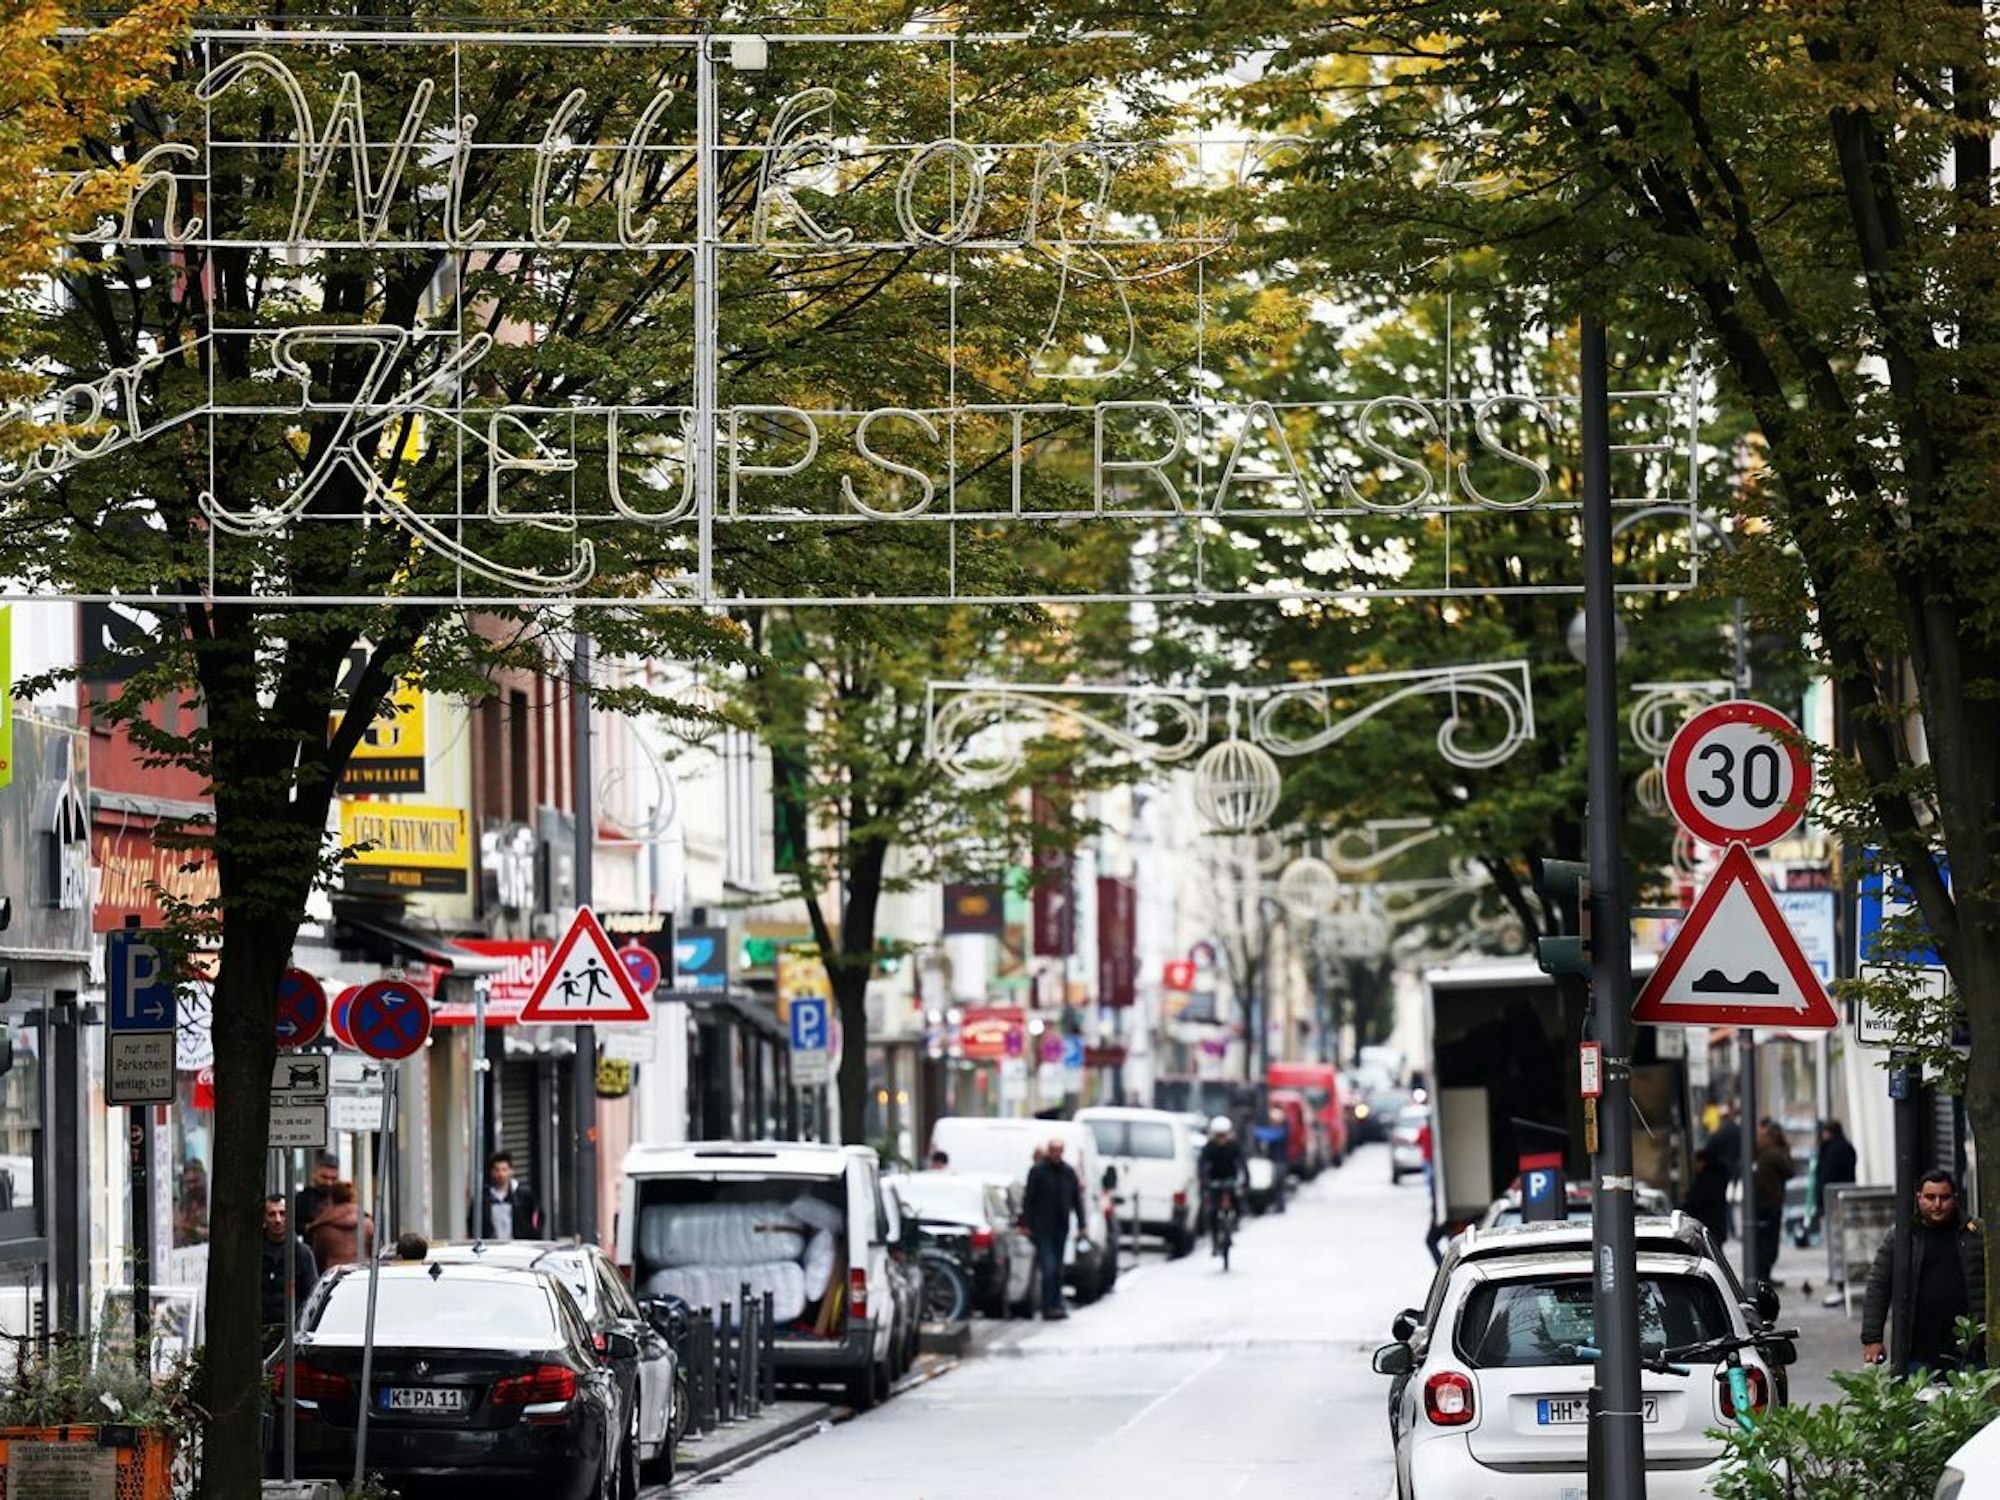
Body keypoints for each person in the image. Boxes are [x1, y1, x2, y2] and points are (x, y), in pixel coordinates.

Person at [1863, 1169, 1986, 1375]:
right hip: (1918, 1352)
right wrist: (1872, 1338)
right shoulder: (1902, 1236)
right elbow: (1878, 1286)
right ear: (1919, 1197)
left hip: (1970, 1352)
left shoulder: (1975, 1233)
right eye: (1930, 1197)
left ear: (1955, 1198)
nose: (1937, 1204)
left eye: (1944, 1197)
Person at [1020, 1136, 1088, 1319]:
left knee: (1058, 1268)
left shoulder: (1068, 1173)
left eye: (1059, 1151)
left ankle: (1056, 1303)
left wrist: (1082, 1224)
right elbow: (1029, 1199)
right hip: (1042, 1227)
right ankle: (1048, 1304)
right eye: (1053, 1151)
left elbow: (1076, 1200)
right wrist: (1026, 1223)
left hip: (1061, 1226)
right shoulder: (1038, 1172)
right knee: (1049, 1267)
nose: (1056, 1154)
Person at [260, 1195, 319, 1339]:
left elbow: (312, 1295)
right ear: (264, 1218)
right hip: (259, 1331)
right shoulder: (254, 1253)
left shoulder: (302, 1253)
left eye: (282, 1213)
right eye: (272, 1214)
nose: (278, 1219)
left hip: (292, 1332)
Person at [1753, 1119, 1794, 1282]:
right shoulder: (1775, 1154)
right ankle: (1765, 1275)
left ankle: (1762, 1275)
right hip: (1772, 1203)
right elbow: (1790, 1171)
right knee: (1770, 1241)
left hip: (1760, 1203)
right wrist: (1786, 1150)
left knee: (1762, 1240)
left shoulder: (1759, 1152)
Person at [1197, 1116, 1246, 1254]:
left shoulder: (1234, 1146)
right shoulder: (1209, 1147)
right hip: (1215, 1181)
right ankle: (1214, 1241)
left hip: (1231, 1180)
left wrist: (1244, 1180)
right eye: (1218, 1135)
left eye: (1223, 1135)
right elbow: (1202, 1164)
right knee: (1212, 1211)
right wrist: (1204, 1181)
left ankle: (1233, 1225)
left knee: (1238, 1203)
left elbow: (1242, 1163)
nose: (1221, 1139)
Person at [472, 1150, 543, 1240]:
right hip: (491, 1246)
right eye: (497, 1170)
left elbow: (536, 1218)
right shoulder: (482, 1199)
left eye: (504, 1170)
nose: (501, 1174)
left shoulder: (524, 1196)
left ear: (511, 1171)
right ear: (491, 1172)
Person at [306, 1180, 373, 1270]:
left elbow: (318, 1259)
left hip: (334, 1274)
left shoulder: (323, 1226)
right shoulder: (367, 1224)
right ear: (353, 1197)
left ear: (332, 1198)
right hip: (362, 1273)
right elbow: (375, 1252)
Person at [1682, 1143, 1731, 1246]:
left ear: (1702, 1162)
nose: (1694, 1166)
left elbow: (1696, 1202)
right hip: (1716, 1226)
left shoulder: (1706, 1180)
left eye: (1695, 1162)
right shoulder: (1717, 1177)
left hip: (1708, 1226)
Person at [1253, 1108, 1289, 1214]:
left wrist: (1256, 1131)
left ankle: (1279, 1206)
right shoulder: (1279, 1129)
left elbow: (1270, 1135)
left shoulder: (1282, 1130)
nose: (1272, 1122)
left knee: (1278, 1184)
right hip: (1275, 1160)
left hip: (1279, 1161)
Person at [294, 1151, 340, 1232]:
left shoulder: (342, 1199)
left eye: (333, 1179)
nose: (329, 1183)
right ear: (314, 1174)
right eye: (324, 1177)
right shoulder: (302, 1200)